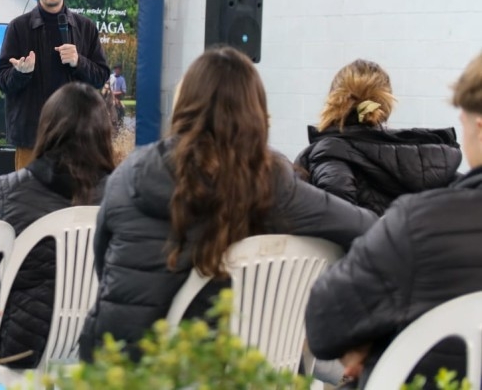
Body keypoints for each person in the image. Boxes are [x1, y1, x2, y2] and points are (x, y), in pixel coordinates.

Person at [78, 46, 378, 362]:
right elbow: (367, 228)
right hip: (234, 370)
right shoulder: (271, 181)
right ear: (256, 112)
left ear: (184, 104)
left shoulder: (130, 173)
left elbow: (103, 265)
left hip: (114, 365)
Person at [305, 51, 482, 390]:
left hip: (392, 349)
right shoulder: (434, 171)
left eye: (461, 112)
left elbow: (323, 326)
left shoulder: (420, 221)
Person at [0, 81, 115, 369]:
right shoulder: (125, 197)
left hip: (18, 353)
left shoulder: (8, 191)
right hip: (99, 354)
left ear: (46, 129)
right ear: (103, 133)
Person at [295, 59, 461, 215]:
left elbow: (334, 225)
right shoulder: (435, 162)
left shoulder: (327, 156)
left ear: (333, 99)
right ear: (385, 105)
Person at [0, 0, 110, 170]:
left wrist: (79, 62)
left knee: (74, 202)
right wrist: (21, 72)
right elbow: (3, 82)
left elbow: (101, 77)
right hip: (32, 138)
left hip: (76, 137)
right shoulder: (18, 28)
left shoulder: (85, 27)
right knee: (28, 201)